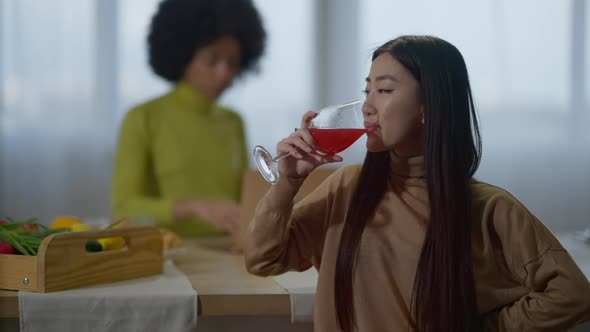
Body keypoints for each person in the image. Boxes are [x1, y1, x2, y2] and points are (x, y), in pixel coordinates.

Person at [244, 35, 590, 331]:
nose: (366, 105)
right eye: (367, 90)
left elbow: (572, 295)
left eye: (384, 90)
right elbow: (262, 260)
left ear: (428, 106)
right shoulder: (347, 187)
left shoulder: (489, 207)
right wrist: (288, 182)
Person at [111, 0, 266, 237]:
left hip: (230, 255)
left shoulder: (234, 122)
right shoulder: (142, 118)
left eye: (232, 62)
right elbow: (122, 211)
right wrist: (193, 207)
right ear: (183, 55)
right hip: (169, 260)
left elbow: (243, 202)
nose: (223, 72)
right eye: (212, 59)